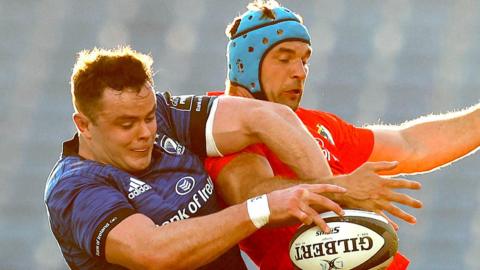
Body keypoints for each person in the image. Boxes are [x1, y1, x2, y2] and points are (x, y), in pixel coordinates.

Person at [204, 1, 480, 269]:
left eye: (304, 60)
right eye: (285, 58)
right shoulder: (223, 125)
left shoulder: (315, 123)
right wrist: (342, 189)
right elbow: (250, 194)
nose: (299, 72)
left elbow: (411, 144)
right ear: (246, 66)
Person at [43, 46, 350, 270]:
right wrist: (262, 208)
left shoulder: (164, 116)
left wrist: (335, 201)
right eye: (126, 124)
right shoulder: (74, 187)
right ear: (83, 125)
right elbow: (153, 252)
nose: (146, 132)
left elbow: (268, 117)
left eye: (148, 117)